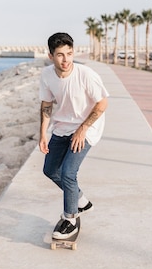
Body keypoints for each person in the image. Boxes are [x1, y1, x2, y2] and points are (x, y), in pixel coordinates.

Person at [39, 32, 109, 239]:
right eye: (60, 55)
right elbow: (46, 105)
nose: (66, 60)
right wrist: (42, 134)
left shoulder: (85, 74)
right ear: (51, 56)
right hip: (62, 127)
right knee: (50, 170)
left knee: (69, 173)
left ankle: (70, 219)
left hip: (88, 127)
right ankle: (80, 200)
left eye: (69, 53)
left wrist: (83, 129)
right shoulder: (47, 75)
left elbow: (102, 103)